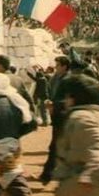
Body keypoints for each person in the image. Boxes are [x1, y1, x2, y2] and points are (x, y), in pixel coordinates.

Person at [54, 74, 99, 196]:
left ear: (73, 98)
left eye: (66, 96)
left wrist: (88, 178)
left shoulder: (81, 118)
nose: (65, 101)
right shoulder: (97, 116)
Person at [39, 55, 71, 185]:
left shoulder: (68, 80)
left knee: (55, 146)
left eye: (58, 65)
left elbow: (69, 100)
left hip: (64, 116)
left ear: (64, 66)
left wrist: (54, 105)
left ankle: (47, 175)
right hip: (57, 116)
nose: (56, 68)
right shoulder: (56, 78)